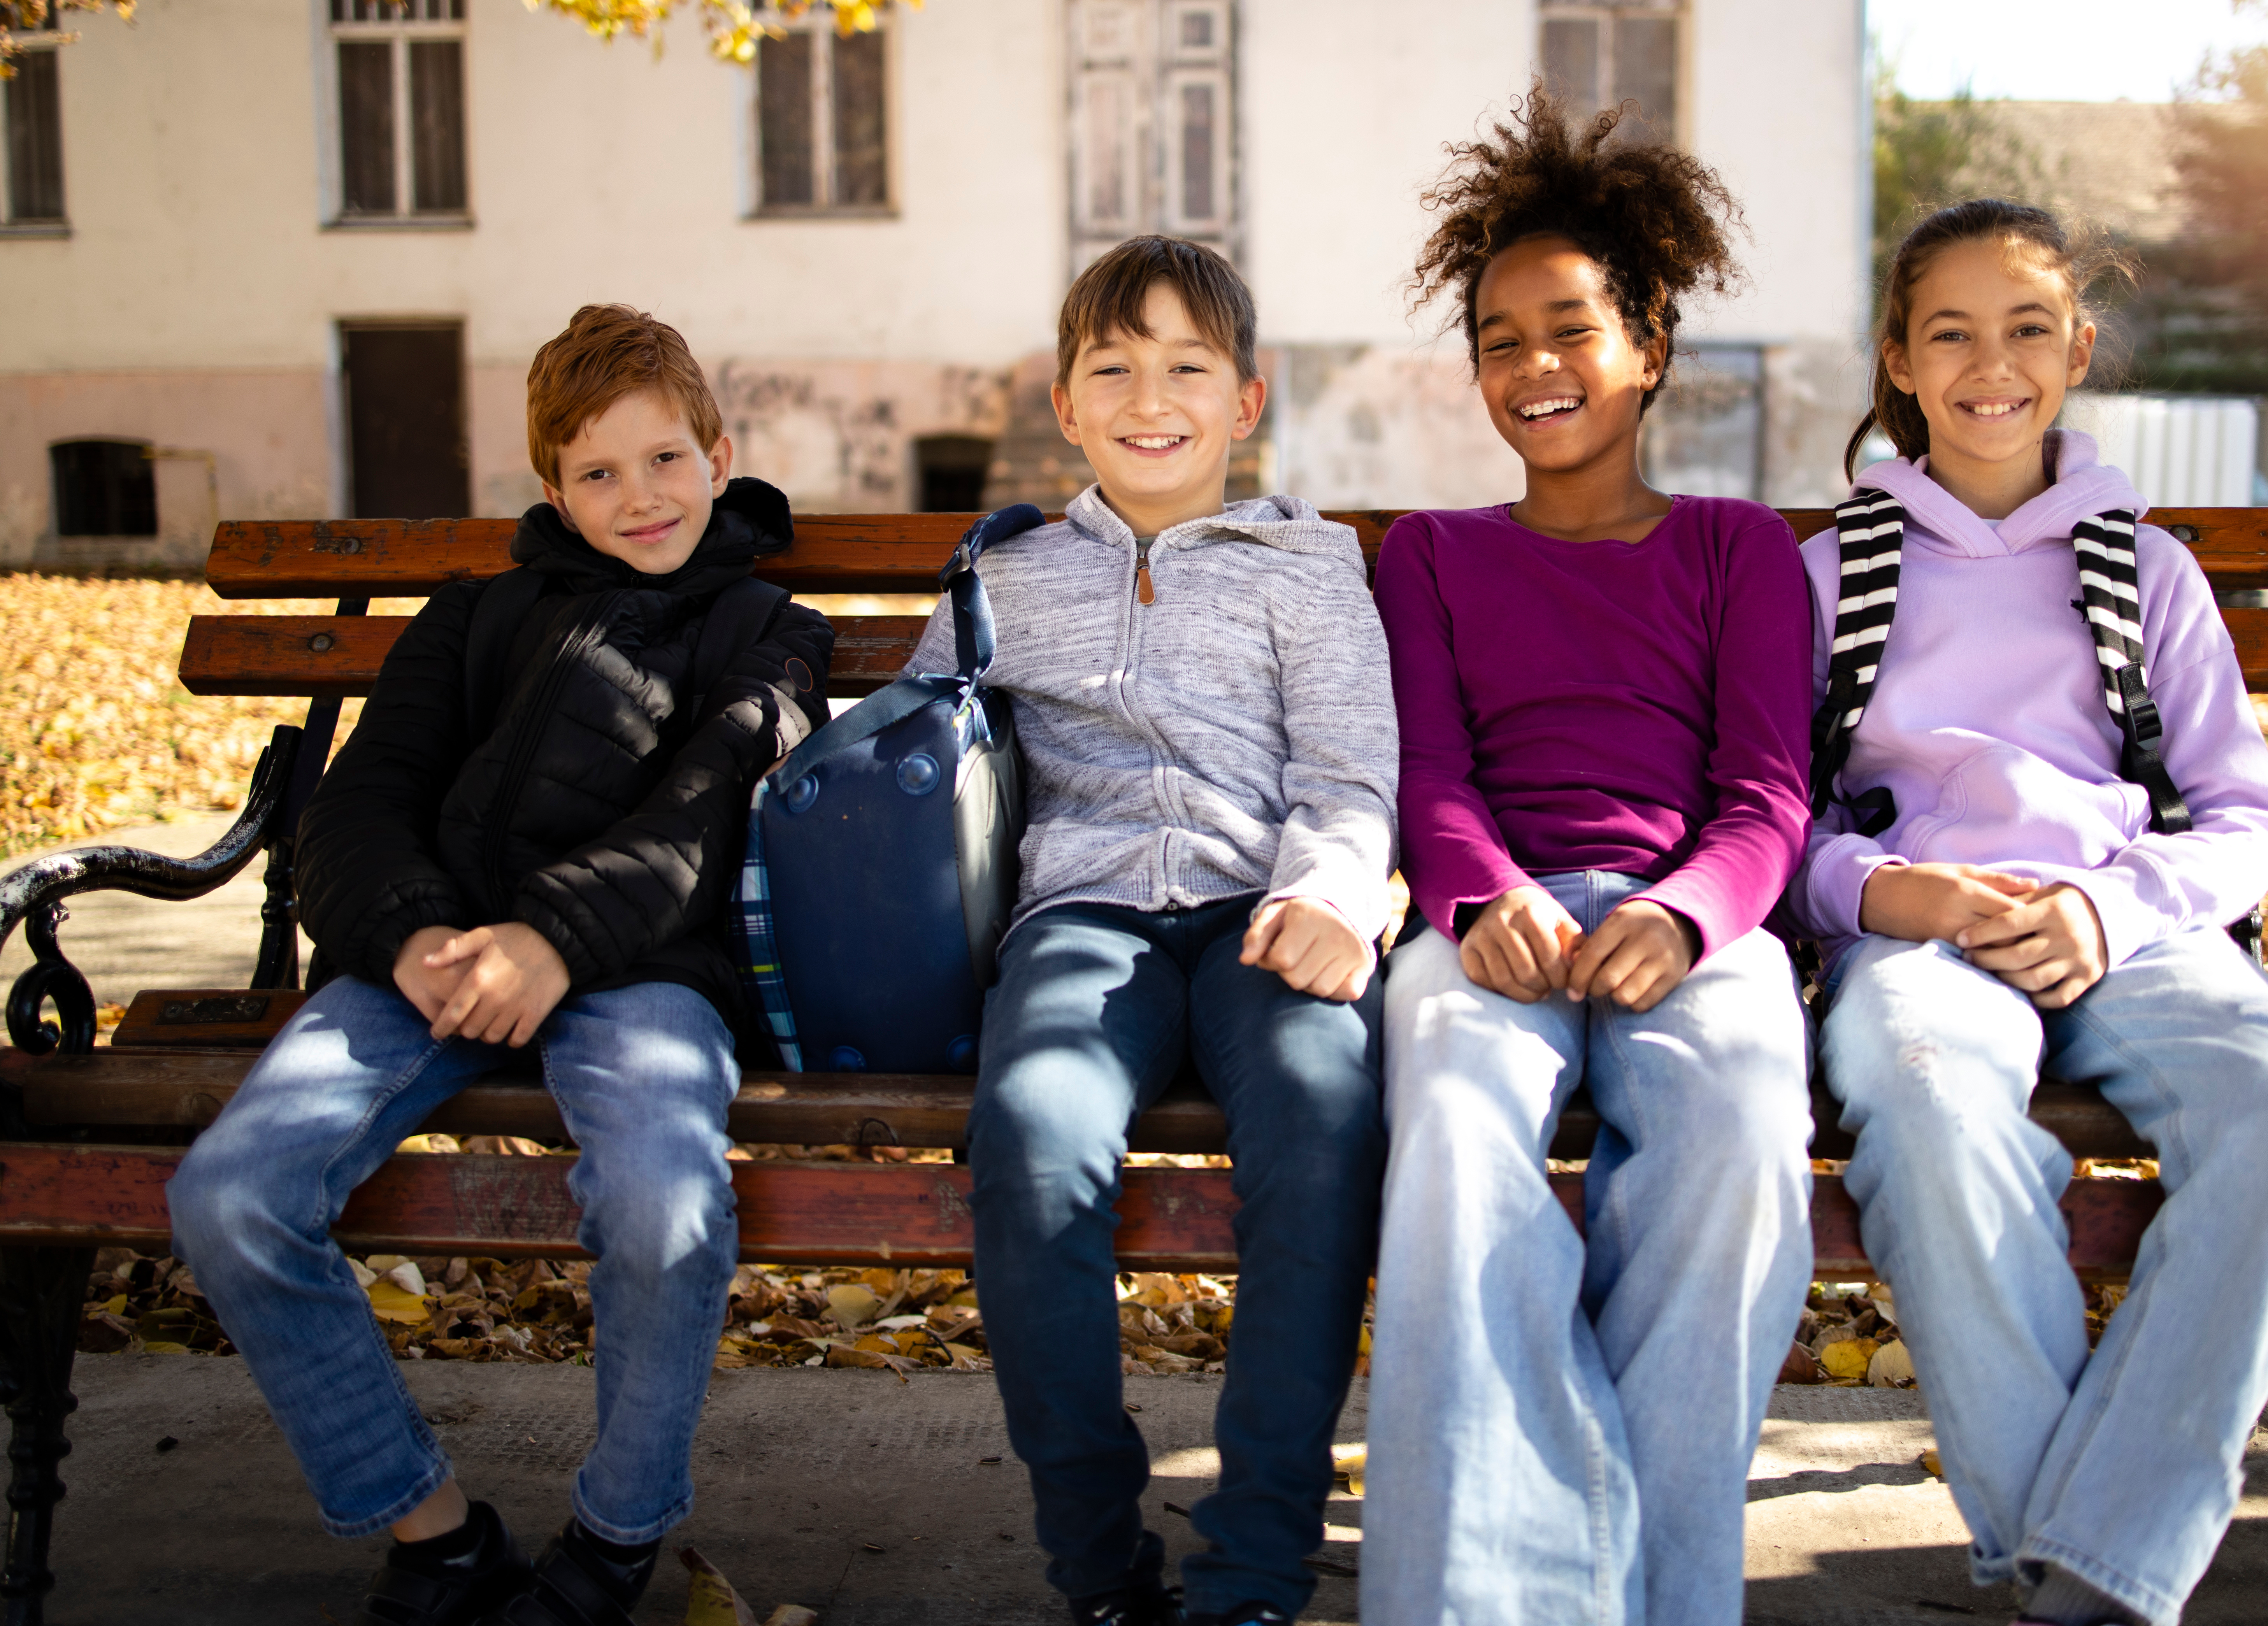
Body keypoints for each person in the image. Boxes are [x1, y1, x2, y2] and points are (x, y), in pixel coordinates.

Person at [167, 305, 835, 1625]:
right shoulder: (474, 615)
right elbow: (359, 804)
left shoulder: (771, 632)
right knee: (231, 1195)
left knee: (661, 1202)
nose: (638, 497)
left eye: (664, 460)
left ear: (719, 451)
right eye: (597, 473)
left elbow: (703, 816)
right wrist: (417, 934)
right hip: (437, 960)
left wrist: (555, 940)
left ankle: (615, 1537)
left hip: (646, 971)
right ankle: (432, 1534)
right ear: (551, 491)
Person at [1792, 198, 2268, 1626]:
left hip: (2129, 927)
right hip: (1921, 937)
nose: (1991, 364)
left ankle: (2088, 1553)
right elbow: (1769, 823)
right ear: (1897, 361)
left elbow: (2242, 820)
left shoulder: (2141, 574)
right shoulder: (1831, 575)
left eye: (2027, 328)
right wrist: (1884, 888)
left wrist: (2110, 909)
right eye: (1950, 333)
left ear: (2077, 350)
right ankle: (2091, 1574)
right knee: (1922, 1103)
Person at [1362, 88, 1815, 1626]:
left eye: (1568, 328)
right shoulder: (1431, 552)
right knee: (1454, 1126)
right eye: (1499, 338)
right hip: (1491, 923)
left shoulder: (1736, 549)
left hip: (1696, 929)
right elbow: (1430, 770)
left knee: (1744, 1131)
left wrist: (1688, 919)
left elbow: (1767, 796)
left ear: (1650, 346)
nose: (1533, 367)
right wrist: (1480, 895)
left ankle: (1665, 1596)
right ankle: (1482, 1599)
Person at [912, 236, 1395, 1626]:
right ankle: (1098, 1560)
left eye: (1186, 367)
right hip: (1086, 923)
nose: (1148, 398)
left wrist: (1332, 889)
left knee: (1316, 1135)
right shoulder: (1005, 578)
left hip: (1269, 915)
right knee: (1033, 1142)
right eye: (1110, 369)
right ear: (1064, 405)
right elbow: (908, 759)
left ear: (1244, 402)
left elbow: (1351, 770)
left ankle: (1249, 1569)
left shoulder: (1304, 568)